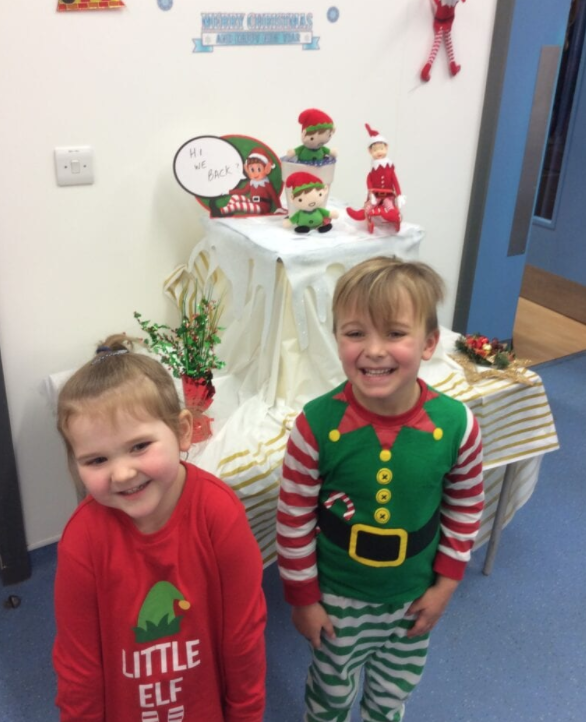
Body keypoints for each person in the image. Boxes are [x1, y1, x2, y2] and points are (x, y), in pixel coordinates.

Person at [276, 257, 484, 722]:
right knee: (329, 694)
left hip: (414, 596)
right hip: (337, 597)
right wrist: (304, 599)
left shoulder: (456, 425)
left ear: (429, 342)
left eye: (394, 333)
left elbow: (466, 505)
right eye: (355, 333)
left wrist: (447, 583)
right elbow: (292, 521)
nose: (373, 350)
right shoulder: (315, 425)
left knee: (392, 696)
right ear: (337, 340)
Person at [53, 335, 266, 722]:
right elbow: (78, 665)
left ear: (183, 431)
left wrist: (246, 716)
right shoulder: (82, 540)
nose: (122, 473)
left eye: (139, 446)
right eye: (97, 459)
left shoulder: (218, 513)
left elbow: (244, 637)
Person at [346, 124, 404, 233]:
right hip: (376, 195)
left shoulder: (390, 169)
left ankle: (390, 215)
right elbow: (369, 181)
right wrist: (371, 194)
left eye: (381, 148)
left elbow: (395, 181)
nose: (379, 152)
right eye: (375, 150)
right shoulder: (373, 170)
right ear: (370, 152)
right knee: (369, 207)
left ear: (386, 148)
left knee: (390, 207)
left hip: (388, 196)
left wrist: (399, 195)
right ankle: (362, 214)